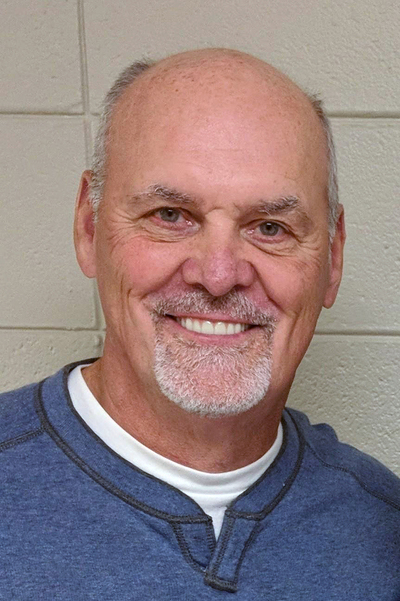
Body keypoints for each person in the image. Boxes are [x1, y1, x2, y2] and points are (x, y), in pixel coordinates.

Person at [1, 48, 399, 599]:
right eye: (170, 216)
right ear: (90, 229)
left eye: (270, 227)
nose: (217, 276)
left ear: (331, 260)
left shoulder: (384, 530)